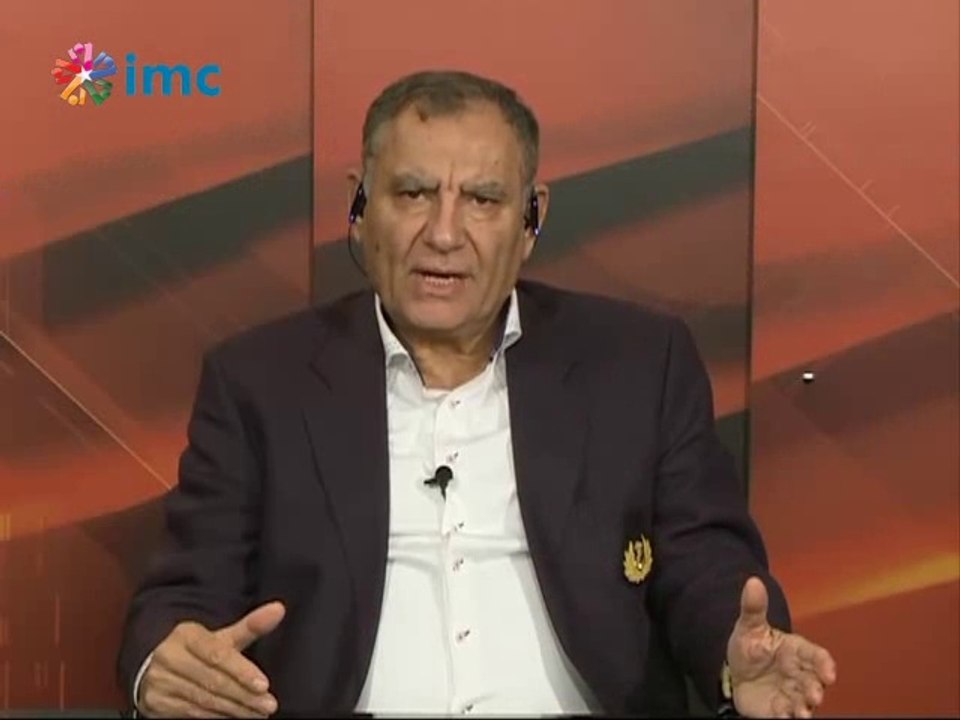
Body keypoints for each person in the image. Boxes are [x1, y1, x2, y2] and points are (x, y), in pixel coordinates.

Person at [117, 69, 837, 718]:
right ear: (360, 206)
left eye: (483, 199)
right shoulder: (260, 380)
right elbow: (183, 595)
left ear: (531, 219)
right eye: (413, 193)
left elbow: (703, 560)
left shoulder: (638, 363)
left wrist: (732, 656)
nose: (443, 233)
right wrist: (164, 666)